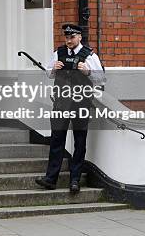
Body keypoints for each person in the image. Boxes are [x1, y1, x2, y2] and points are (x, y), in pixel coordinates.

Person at [35, 23, 104, 194]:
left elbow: (101, 79)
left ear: (80, 37)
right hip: (61, 103)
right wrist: (53, 68)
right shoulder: (59, 53)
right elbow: (48, 73)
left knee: (79, 142)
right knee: (57, 140)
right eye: (67, 37)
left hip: (81, 103)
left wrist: (88, 72)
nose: (69, 40)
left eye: (72, 37)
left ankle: (75, 180)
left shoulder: (89, 55)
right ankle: (50, 179)